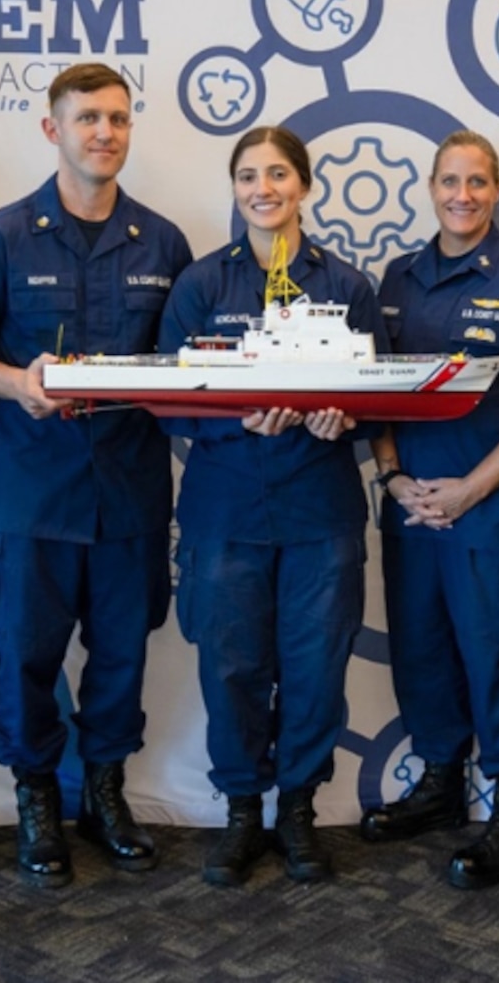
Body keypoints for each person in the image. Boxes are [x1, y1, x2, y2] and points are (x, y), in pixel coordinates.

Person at [0, 63, 193, 886]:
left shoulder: (163, 242)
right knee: (28, 658)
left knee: (120, 655)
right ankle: (38, 798)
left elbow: (187, 363)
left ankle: (105, 794)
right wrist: (16, 383)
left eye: (117, 118)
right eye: (87, 119)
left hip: (131, 492)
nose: (104, 133)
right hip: (32, 492)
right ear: (53, 130)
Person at [158, 126, 385, 887]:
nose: (264, 188)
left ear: (305, 185)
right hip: (225, 511)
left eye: (279, 174)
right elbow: (165, 400)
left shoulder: (348, 286)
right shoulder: (199, 286)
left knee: (315, 668)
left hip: (320, 511)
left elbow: (379, 395)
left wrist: (342, 419)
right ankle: (241, 812)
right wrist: (232, 418)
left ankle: (298, 811)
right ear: (234, 188)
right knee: (231, 666)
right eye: (249, 175)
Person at [358, 130, 499, 890]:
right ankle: (441, 783)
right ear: (428, 187)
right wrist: (391, 478)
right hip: (414, 509)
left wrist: (471, 488)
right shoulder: (396, 279)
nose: (463, 195)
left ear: (496, 191)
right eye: (450, 181)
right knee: (422, 654)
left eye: (477, 182)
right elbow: (372, 391)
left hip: (490, 513)